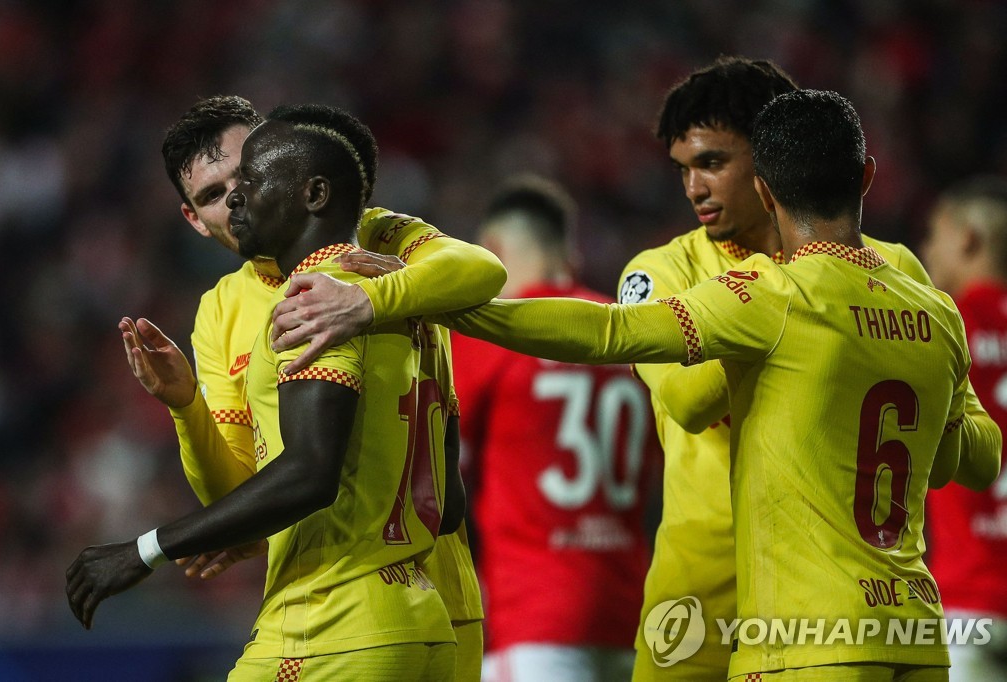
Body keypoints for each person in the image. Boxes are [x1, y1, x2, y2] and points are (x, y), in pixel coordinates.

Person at [270, 57, 1000, 681]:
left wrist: (784, 328)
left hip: (801, 607)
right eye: (683, 169)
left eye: (713, 162)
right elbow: (683, 402)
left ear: (771, 164)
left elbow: (612, 336)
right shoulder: (673, 267)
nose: (694, 188)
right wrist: (807, 346)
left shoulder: (796, 290)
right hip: (713, 588)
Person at [67, 104, 480, 680]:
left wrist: (147, 550)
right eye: (216, 194)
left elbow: (309, 472)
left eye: (249, 176)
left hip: (346, 610)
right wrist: (187, 408)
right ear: (193, 218)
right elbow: (246, 493)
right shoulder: (222, 310)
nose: (237, 199)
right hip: (413, 607)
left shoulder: (355, 262)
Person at [449, 175, 656, 681]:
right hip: (632, 613)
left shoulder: (494, 335)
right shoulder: (632, 330)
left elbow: (441, 475)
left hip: (531, 613)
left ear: (493, 250)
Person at [922, 176, 1007, 681]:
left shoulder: (944, 326)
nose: (928, 248)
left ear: (969, 238)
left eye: (936, 234)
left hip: (970, 600)